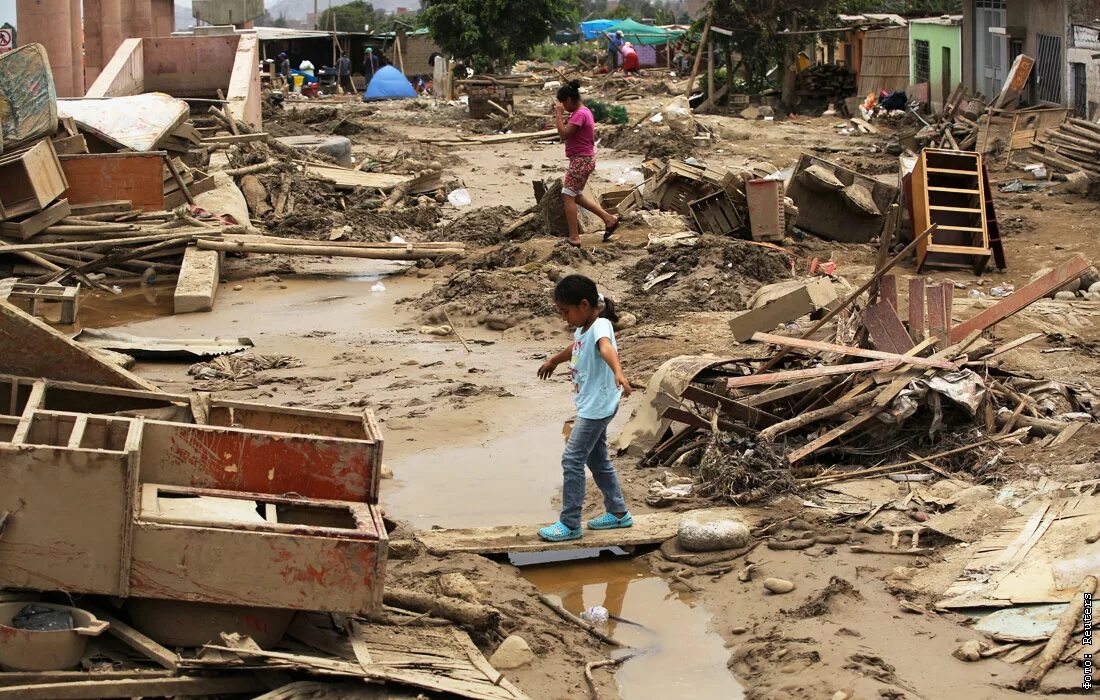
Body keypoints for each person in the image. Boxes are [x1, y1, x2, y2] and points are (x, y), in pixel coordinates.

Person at [536, 274, 633, 542]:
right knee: (597, 459)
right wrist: (554, 360)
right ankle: (618, 514)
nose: (564, 318)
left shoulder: (601, 325)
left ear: (583, 305)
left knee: (572, 459)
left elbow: (605, 348)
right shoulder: (584, 328)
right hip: (593, 404)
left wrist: (619, 372)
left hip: (597, 407)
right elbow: (576, 346)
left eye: (566, 312)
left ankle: (570, 524)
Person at [553, 80, 620, 247]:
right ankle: (609, 219)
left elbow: (563, 135)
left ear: (568, 100)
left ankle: (574, 238)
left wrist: (559, 115)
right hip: (585, 159)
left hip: (580, 161)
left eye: (562, 103)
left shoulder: (579, 114)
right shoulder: (584, 112)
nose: (562, 106)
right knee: (577, 196)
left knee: (567, 195)